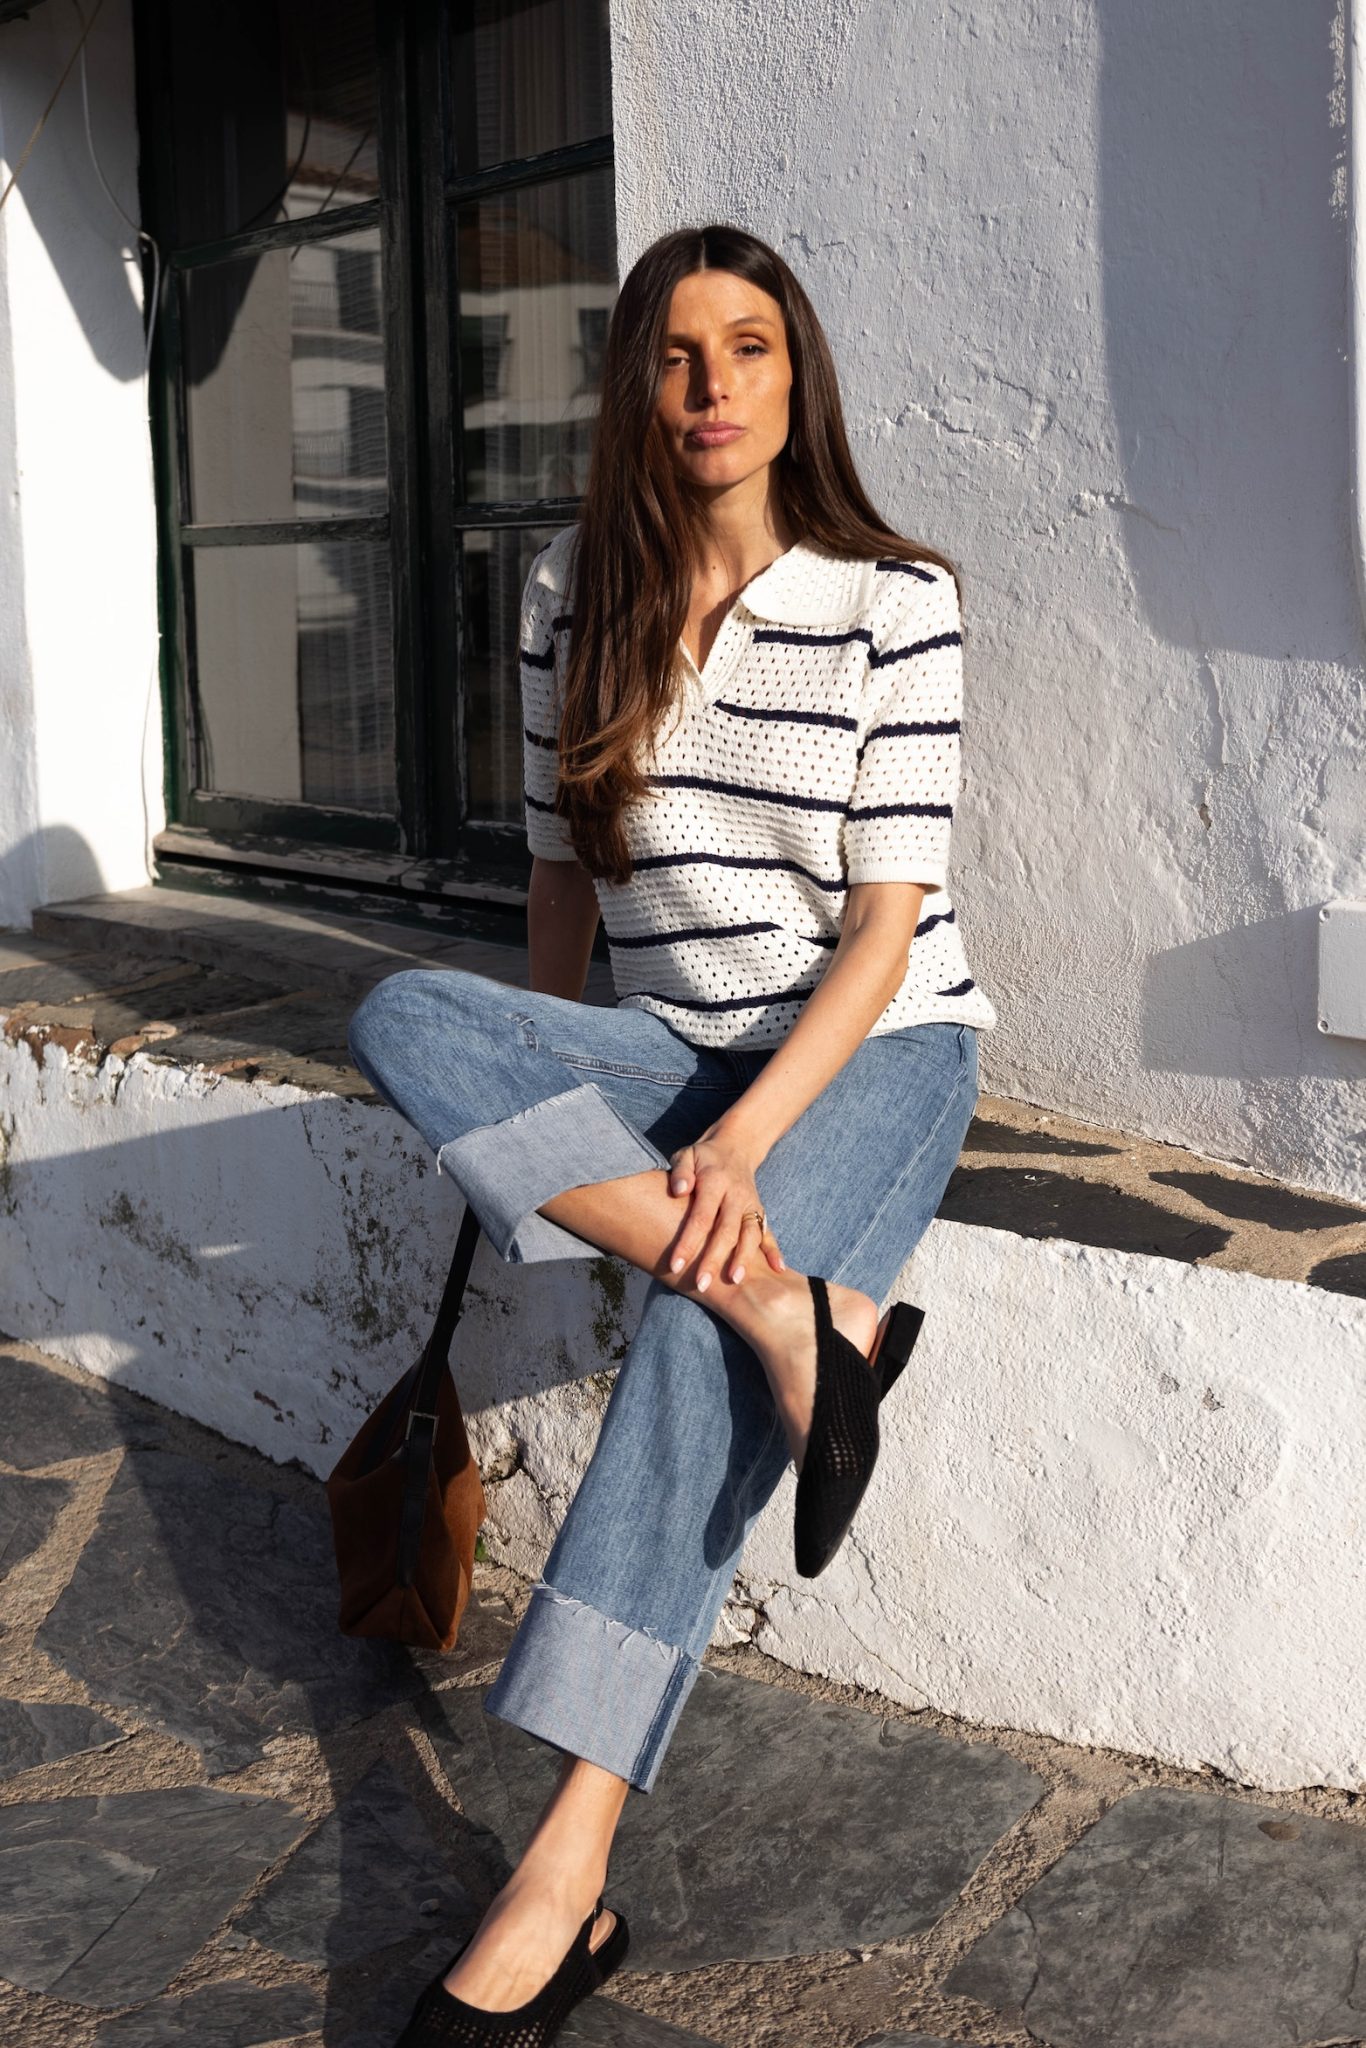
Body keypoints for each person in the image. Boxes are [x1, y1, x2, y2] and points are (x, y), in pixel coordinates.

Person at [347, 221, 998, 2048]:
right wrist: (549, 1102)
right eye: (675, 353)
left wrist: (738, 1151)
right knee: (402, 1013)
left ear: (797, 381)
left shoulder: (895, 599)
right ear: (632, 382)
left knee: (683, 1353)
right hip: (659, 1043)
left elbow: (884, 935)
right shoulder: (572, 588)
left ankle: (563, 1872)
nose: (712, 388)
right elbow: (560, 879)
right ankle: (805, 1323)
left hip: (871, 1054)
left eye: (750, 348)